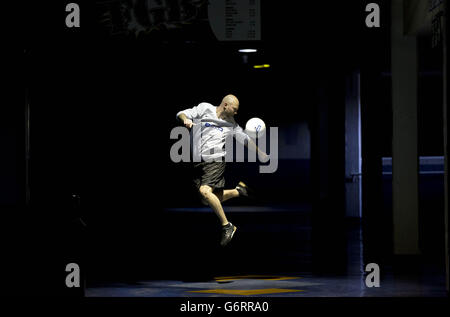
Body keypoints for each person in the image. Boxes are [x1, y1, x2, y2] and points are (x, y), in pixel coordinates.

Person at [176, 94, 267, 246]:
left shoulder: (231, 124)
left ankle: (227, 226)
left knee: (205, 191)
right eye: (235, 109)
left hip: (216, 160)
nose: (236, 113)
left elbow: (245, 140)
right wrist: (186, 119)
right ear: (225, 105)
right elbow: (180, 113)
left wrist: (260, 152)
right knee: (207, 200)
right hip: (198, 162)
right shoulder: (205, 108)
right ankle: (238, 191)